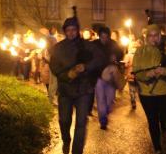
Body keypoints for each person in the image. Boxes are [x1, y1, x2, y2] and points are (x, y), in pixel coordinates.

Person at [49, 16, 105, 154]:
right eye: (68, 30)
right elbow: (54, 66)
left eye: (74, 29)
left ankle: (76, 151)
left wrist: (86, 67)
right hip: (66, 90)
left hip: (83, 90)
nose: (71, 33)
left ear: (77, 30)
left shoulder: (87, 45)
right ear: (65, 31)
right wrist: (66, 75)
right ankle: (66, 140)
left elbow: (100, 58)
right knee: (64, 120)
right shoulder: (58, 48)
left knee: (81, 122)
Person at [132, 24, 166, 154]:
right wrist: (147, 74)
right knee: (152, 119)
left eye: (156, 35)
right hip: (146, 93)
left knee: (164, 117)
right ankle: (157, 147)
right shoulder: (139, 51)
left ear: (160, 36)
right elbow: (136, 72)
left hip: (164, 92)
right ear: (146, 37)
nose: (153, 38)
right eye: (151, 36)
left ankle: (164, 127)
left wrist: (165, 71)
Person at [93, 27, 124, 130]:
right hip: (98, 77)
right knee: (100, 99)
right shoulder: (94, 44)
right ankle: (102, 120)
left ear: (109, 36)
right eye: (102, 37)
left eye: (106, 37)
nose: (104, 39)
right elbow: (87, 55)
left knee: (110, 100)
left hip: (111, 77)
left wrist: (116, 57)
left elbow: (121, 53)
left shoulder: (113, 44)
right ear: (99, 36)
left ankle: (105, 112)